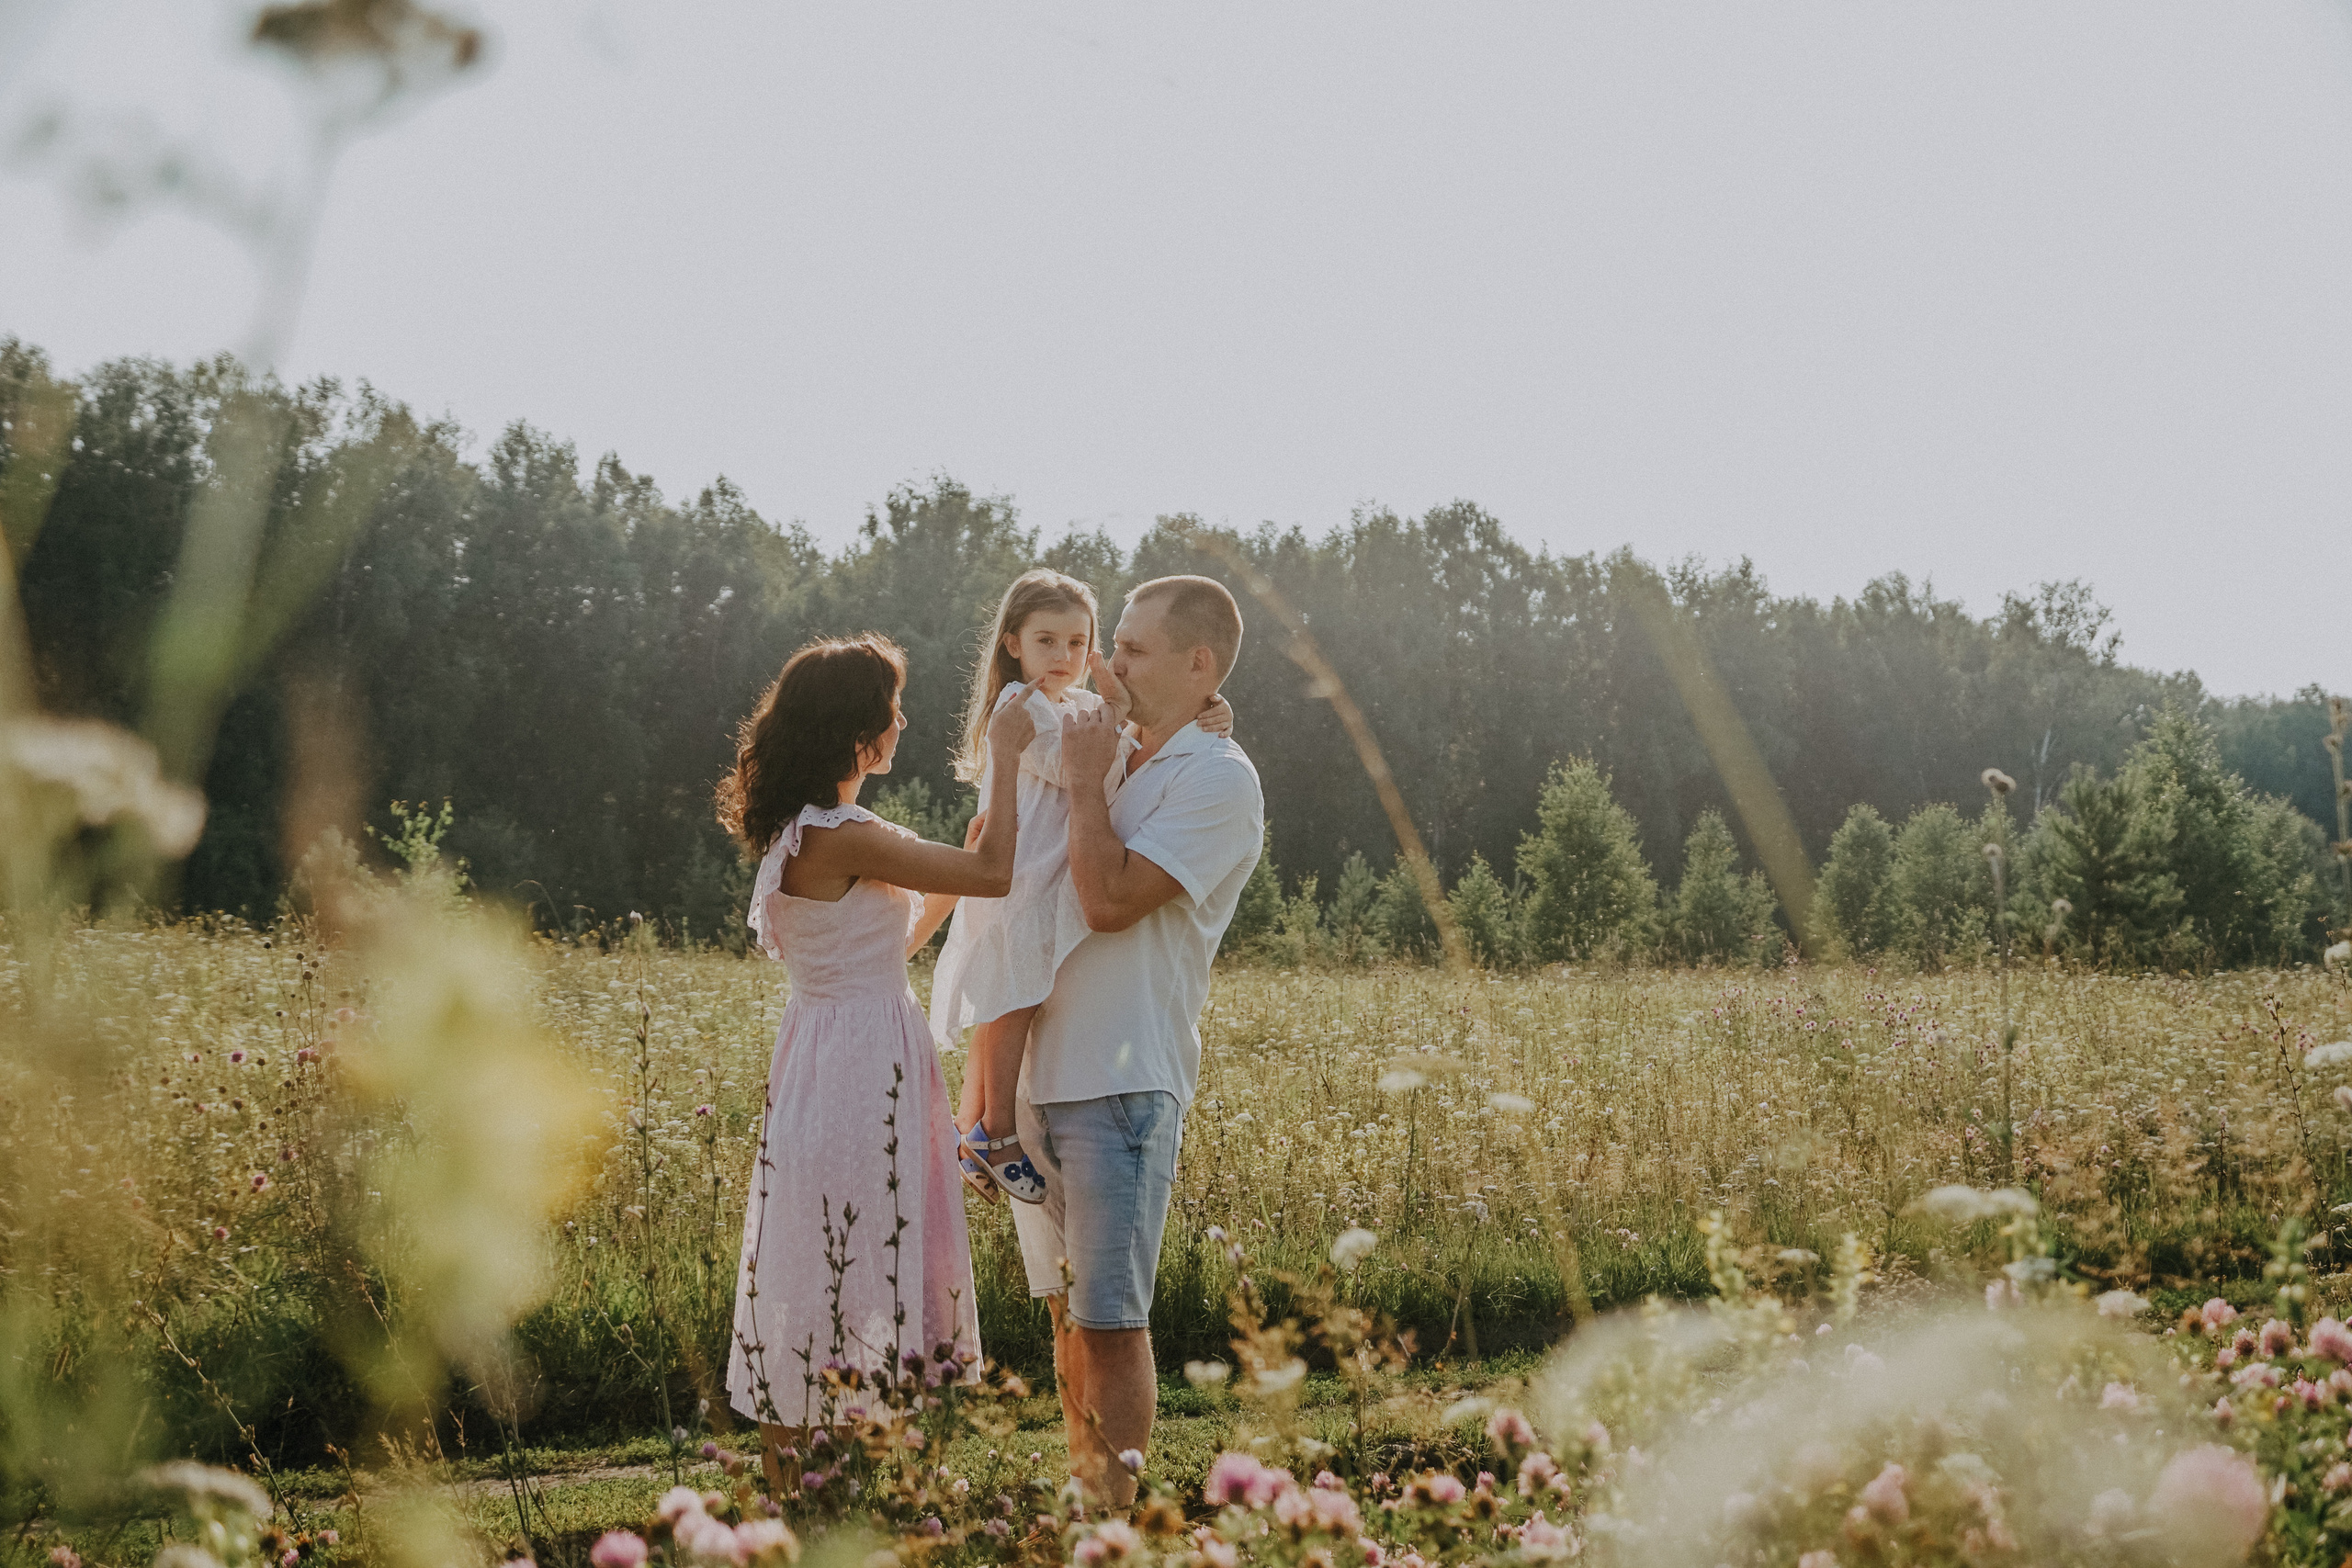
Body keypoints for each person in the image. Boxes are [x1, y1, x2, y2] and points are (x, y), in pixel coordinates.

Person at [713, 632, 1038, 1497]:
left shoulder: (804, 833)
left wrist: (944, 883)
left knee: (833, 1257)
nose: (902, 719)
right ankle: (870, 1493)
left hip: (830, 1050)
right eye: (891, 707)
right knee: (871, 1253)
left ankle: (819, 1492)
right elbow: (998, 871)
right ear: (857, 729)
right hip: (865, 1064)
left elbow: (889, 945)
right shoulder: (845, 831)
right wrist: (1004, 761)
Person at [1006, 575, 1264, 1507]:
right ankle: (1086, 1507)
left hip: (1123, 1083)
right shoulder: (1130, 751)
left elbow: (1108, 900)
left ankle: (1111, 1530)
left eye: (1132, 649)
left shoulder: (1217, 779)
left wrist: (1081, 782)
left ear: (1199, 664)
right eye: (1109, 644)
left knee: (1109, 1321)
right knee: (1064, 1322)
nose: (1106, 663)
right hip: (1041, 1076)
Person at [929, 570, 1230, 1203]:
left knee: (1014, 1002)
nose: (1064, 658)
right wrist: (1119, 721)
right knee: (1010, 1004)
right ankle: (995, 1129)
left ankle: (977, 1125)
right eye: (1047, 642)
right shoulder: (1023, 711)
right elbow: (1082, 766)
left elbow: (1128, 727)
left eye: (1076, 642)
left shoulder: (1067, 708)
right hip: (1023, 880)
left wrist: (1204, 707)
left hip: (1038, 877)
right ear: (1013, 643)